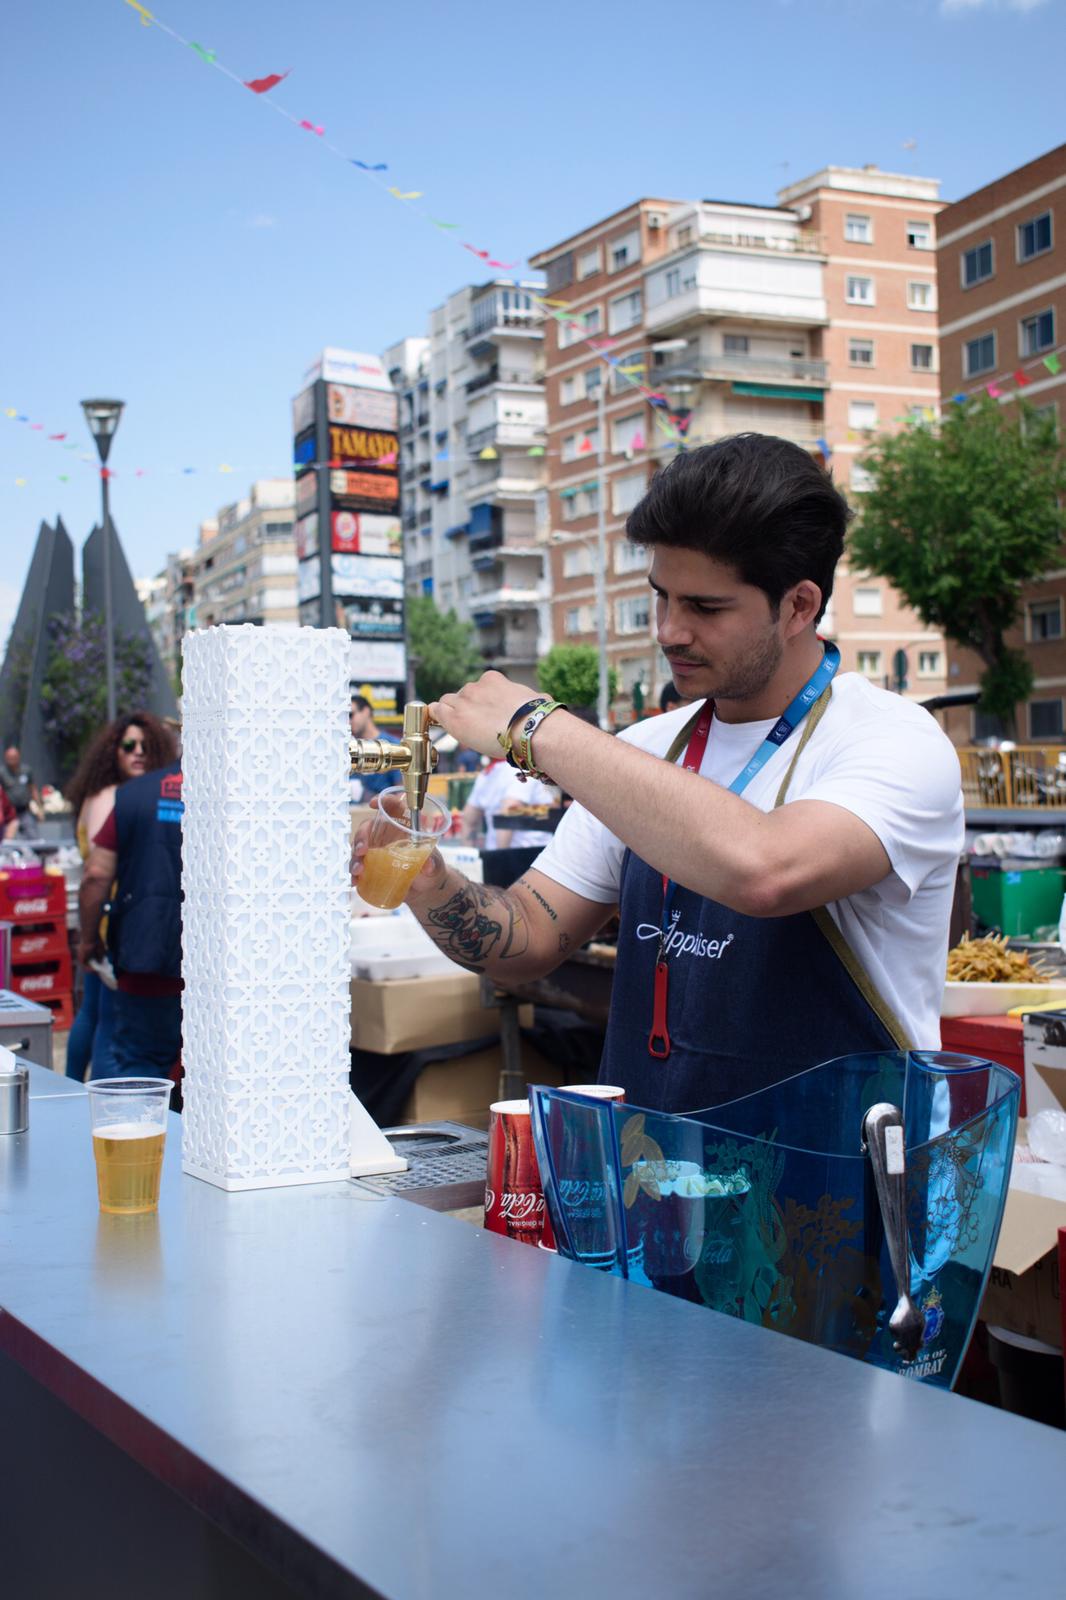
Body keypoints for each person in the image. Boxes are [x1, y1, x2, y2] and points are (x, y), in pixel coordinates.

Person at [352, 434, 964, 1114]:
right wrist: (422, 874)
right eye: (660, 597)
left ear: (798, 606)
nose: (669, 631)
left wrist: (538, 727)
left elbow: (766, 869)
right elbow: (524, 936)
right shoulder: (647, 747)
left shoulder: (892, 740)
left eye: (705, 607)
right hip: (654, 1182)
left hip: (838, 1188)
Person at [64, 713, 177, 1082]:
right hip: (215, 965)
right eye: (130, 745)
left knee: (139, 1071)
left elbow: (97, 874)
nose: (138, 752)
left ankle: (133, 1136)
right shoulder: (232, 794)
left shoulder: (131, 796)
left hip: (144, 955)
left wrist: (89, 938)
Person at [460, 757, 557, 850]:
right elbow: (508, 812)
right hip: (528, 855)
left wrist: (467, 854)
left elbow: (469, 819)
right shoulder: (522, 770)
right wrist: (502, 858)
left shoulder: (485, 775)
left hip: (500, 854)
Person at [349, 694, 399, 802]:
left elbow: (402, 793)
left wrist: (364, 796)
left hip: (381, 816)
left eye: (350, 715)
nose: (348, 721)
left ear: (366, 711)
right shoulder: (345, 749)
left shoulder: (392, 745)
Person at [0, 744, 40, 838]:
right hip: (9, 813)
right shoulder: (2, 772)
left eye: (13, 757)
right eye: (9, 757)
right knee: (9, 840)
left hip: (24, 810)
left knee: (33, 836)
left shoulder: (26, 770)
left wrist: (39, 808)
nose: (11, 759)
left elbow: (32, 788)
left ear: (18, 757)